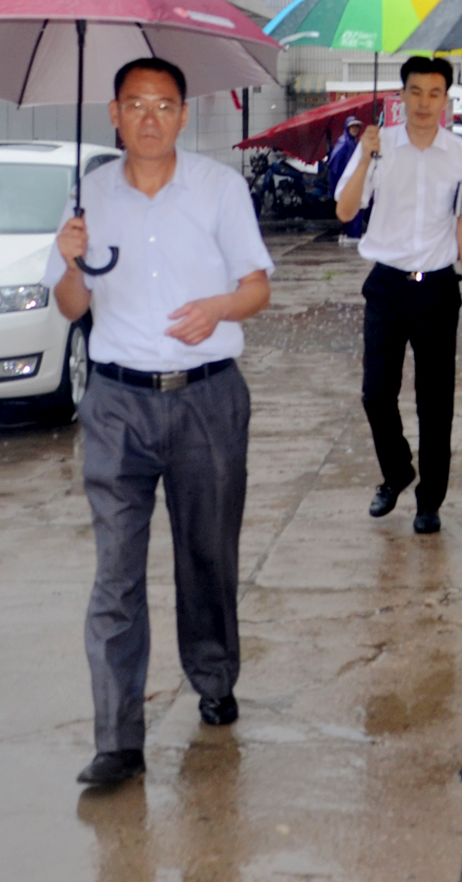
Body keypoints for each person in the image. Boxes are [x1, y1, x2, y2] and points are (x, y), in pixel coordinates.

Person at [47, 57, 274, 787]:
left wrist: (218, 307)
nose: (150, 117)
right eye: (136, 104)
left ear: (183, 113)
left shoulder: (218, 188)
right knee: (116, 572)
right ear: (114, 113)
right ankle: (118, 739)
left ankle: (213, 675)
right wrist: (71, 263)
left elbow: (258, 287)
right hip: (117, 403)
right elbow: (71, 307)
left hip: (207, 396)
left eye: (165, 104)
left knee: (207, 553)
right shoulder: (87, 198)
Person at [335, 56, 462, 534]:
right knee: (376, 394)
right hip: (386, 287)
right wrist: (364, 156)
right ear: (401, 96)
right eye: (415, 92)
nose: (424, 102)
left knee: (435, 403)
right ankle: (397, 470)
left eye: (434, 93)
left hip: (438, 289)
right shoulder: (379, 146)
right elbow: (344, 211)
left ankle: (429, 501)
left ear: (446, 99)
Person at [328, 117, 365, 244]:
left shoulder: (353, 142)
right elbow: (335, 166)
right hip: (347, 183)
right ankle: (351, 235)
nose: (355, 129)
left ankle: (350, 234)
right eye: (352, 126)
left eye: (357, 127)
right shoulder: (344, 142)